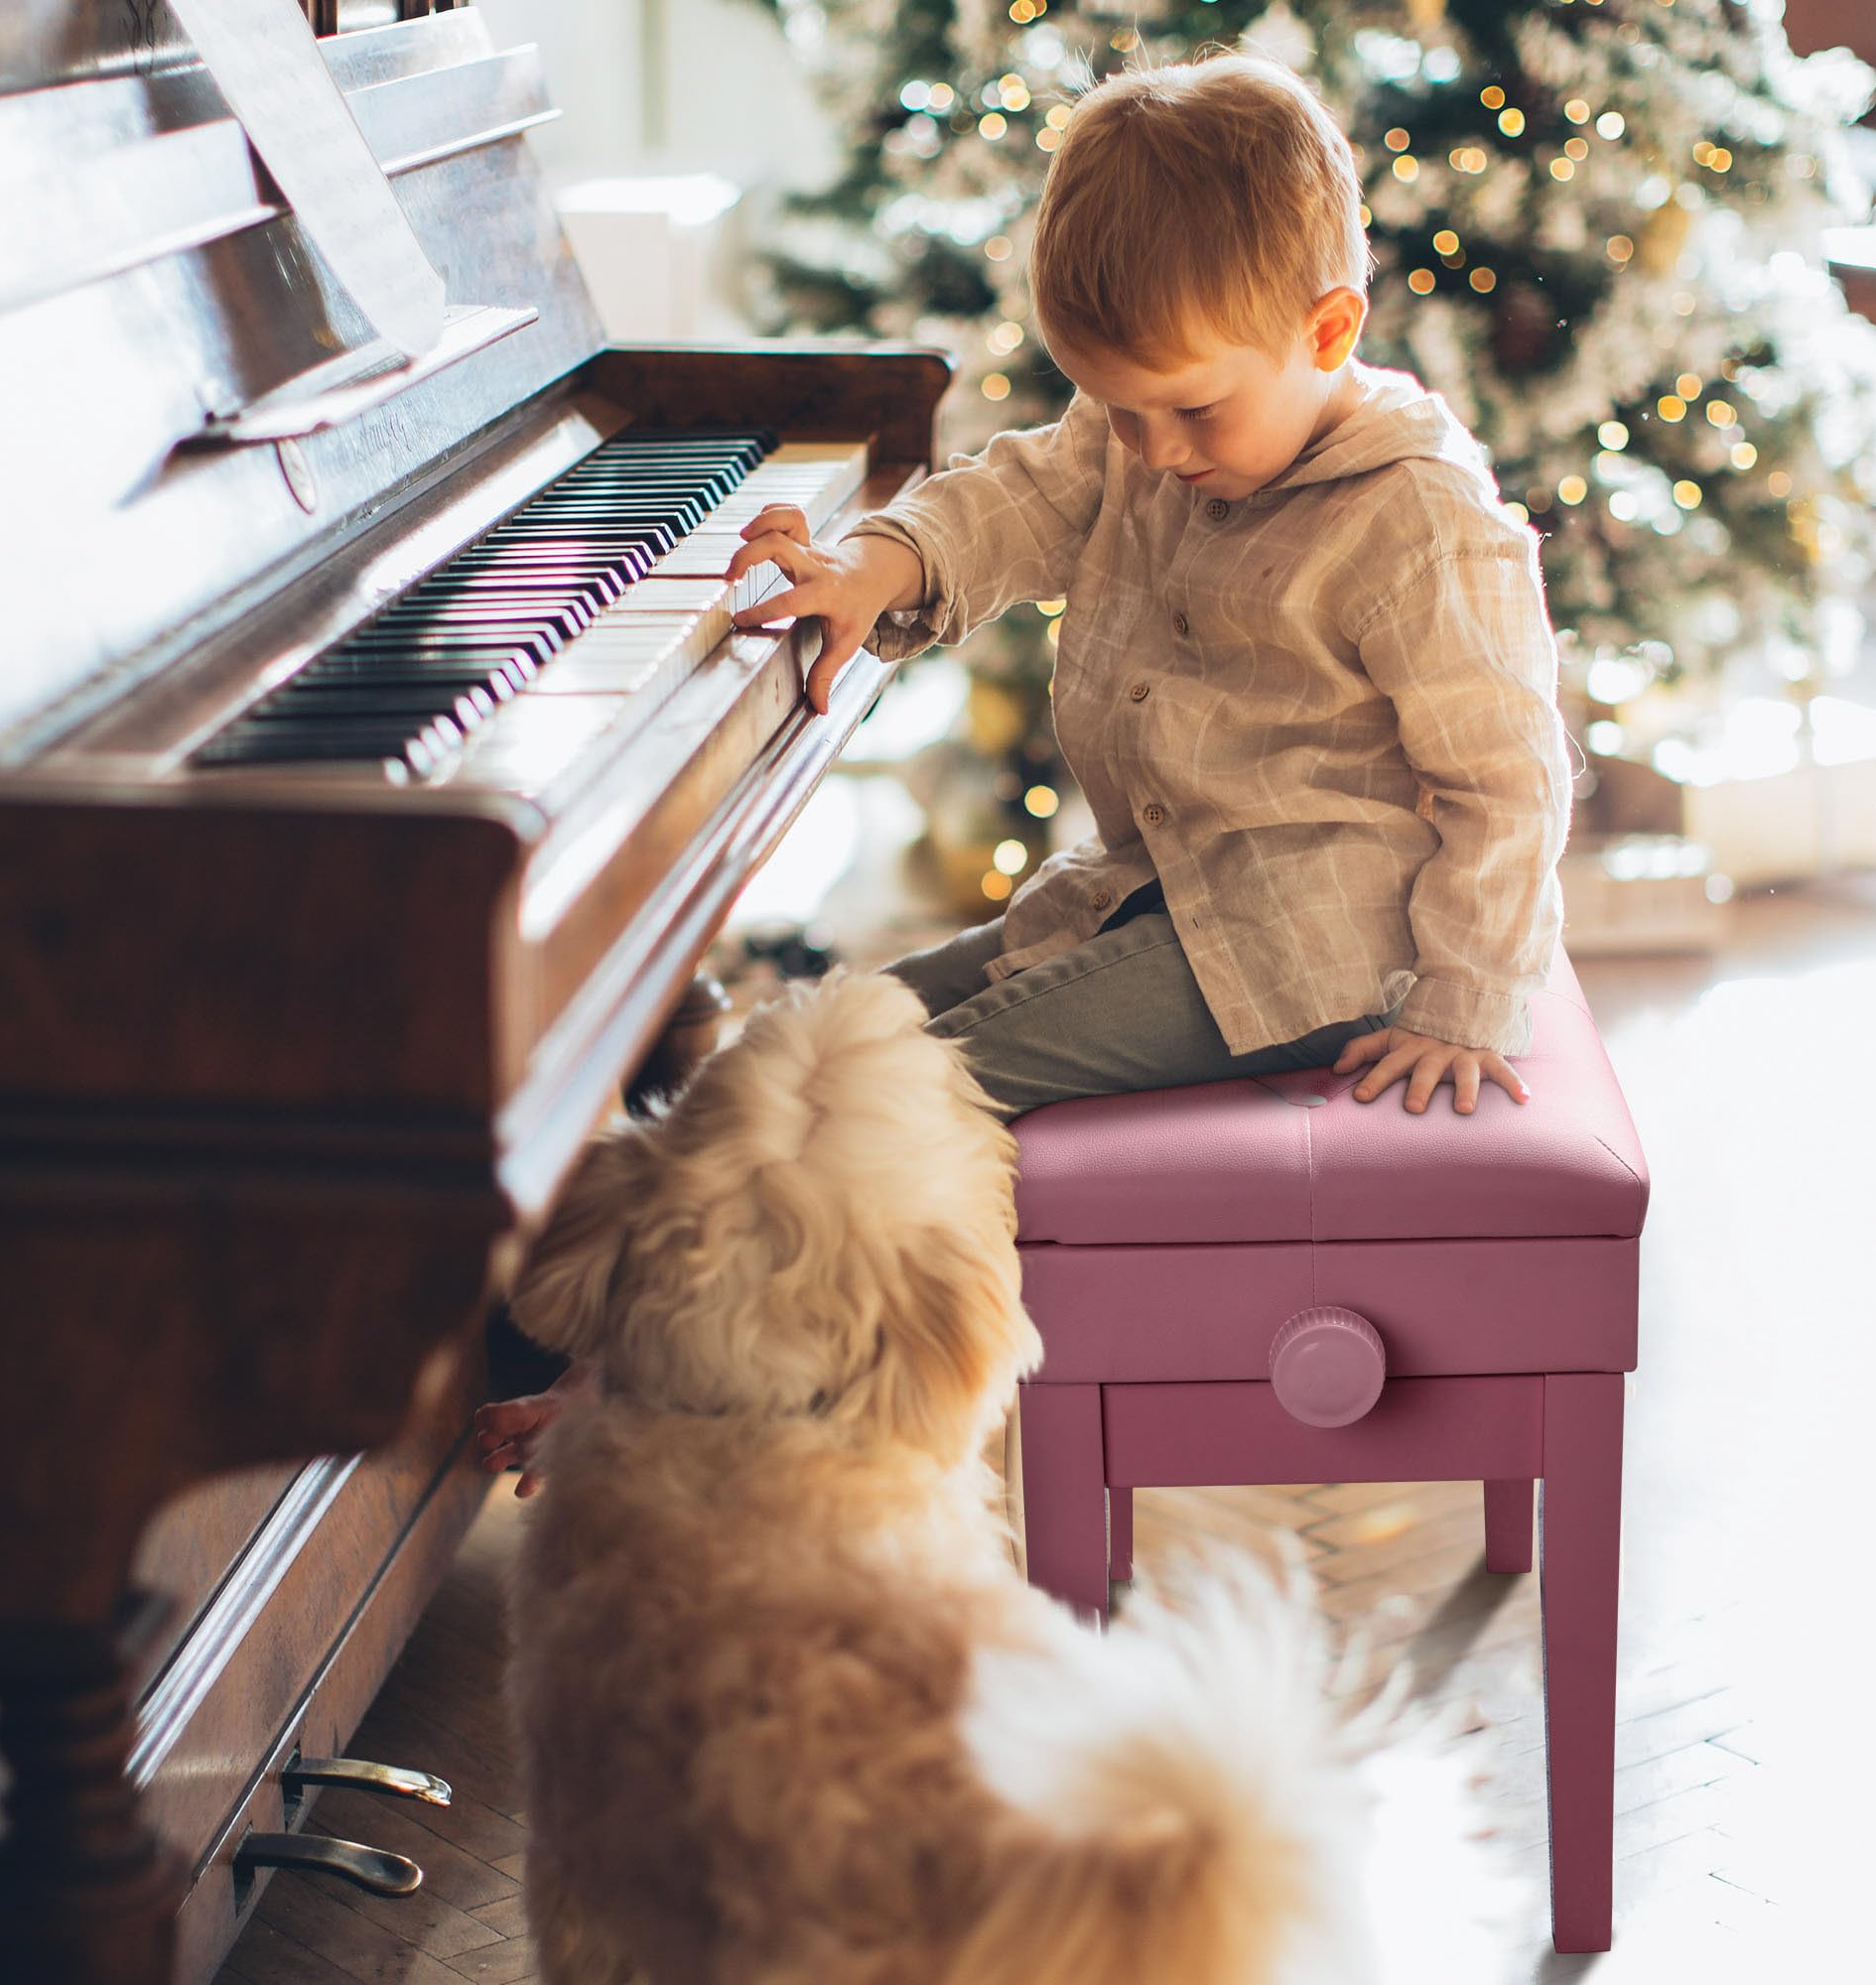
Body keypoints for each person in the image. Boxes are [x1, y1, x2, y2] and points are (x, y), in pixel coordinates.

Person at [477, 50, 1573, 1489]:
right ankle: (582, 1310)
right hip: (1165, 906)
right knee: (813, 1043)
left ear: (1328, 329)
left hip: (1318, 955)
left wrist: (1464, 1001)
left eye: (1189, 412)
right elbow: (1017, 493)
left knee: (896, 1099)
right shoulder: (1139, 443)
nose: (1153, 452)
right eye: (1119, 411)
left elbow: (1511, 776)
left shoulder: (1419, 524)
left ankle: (659, 1397)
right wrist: (880, 562)